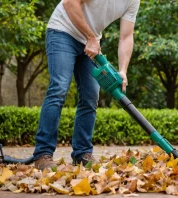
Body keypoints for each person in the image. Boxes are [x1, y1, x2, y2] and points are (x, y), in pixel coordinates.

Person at [33, 0, 140, 170]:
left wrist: (123, 71)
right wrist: (91, 37)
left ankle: (82, 154)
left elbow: (126, 36)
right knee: (59, 89)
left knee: (91, 96)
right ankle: (42, 155)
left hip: (91, 42)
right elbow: (69, 2)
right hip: (63, 30)